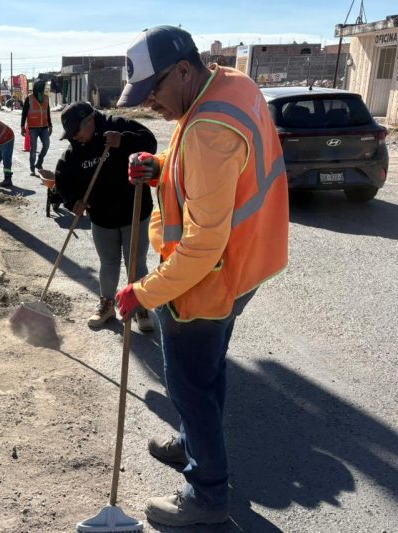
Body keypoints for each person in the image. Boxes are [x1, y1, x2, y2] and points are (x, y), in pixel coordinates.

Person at [114, 26, 289, 527]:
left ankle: (207, 495)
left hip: (209, 275)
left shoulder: (209, 128)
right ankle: (194, 439)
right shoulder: (230, 84)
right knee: (206, 373)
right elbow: (213, 169)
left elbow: (201, 246)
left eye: (153, 92)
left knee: (191, 383)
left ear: (185, 70)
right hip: (245, 262)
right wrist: (162, 165)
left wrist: (141, 293)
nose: (150, 104)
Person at [47, 102, 156, 331]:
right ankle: (107, 306)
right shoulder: (75, 149)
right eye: (71, 134)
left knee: (136, 262)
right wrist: (73, 201)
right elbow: (63, 178)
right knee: (108, 263)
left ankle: (140, 308)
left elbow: (150, 143)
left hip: (134, 212)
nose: (75, 137)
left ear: (90, 120)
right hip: (102, 217)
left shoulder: (116, 125)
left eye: (77, 131)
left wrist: (123, 142)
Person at [20, 79, 53, 175]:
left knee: (46, 145)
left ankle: (39, 163)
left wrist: (50, 125)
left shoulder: (46, 98)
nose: (42, 89)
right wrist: (22, 126)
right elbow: (24, 113)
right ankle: (32, 168)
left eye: (43, 87)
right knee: (33, 149)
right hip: (33, 128)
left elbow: (48, 113)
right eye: (40, 87)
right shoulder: (29, 98)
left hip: (44, 127)